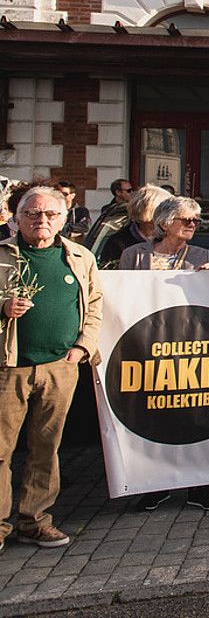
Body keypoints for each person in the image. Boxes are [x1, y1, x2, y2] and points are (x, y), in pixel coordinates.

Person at [0, 186, 103, 549]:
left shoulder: (79, 256)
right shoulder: (3, 255)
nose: (41, 220)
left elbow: (94, 305)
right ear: (17, 218)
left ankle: (35, 520)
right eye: (33, 214)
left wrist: (82, 347)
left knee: (46, 446)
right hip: (8, 368)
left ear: (62, 218)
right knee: (1, 450)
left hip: (60, 367)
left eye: (50, 214)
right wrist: (3, 308)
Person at [117, 196, 209, 511]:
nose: (192, 225)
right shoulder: (133, 256)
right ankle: (156, 485)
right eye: (185, 219)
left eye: (195, 220)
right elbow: (122, 296)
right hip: (147, 347)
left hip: (189, 347)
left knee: (195, 416)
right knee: (156, 417)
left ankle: (198, 486)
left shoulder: (201, 254)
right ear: (164, 223)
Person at [97, 184, 173, 267]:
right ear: (148, 210)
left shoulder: (172, 238)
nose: (170, 215)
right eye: (165, 210)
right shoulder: (118, 243)